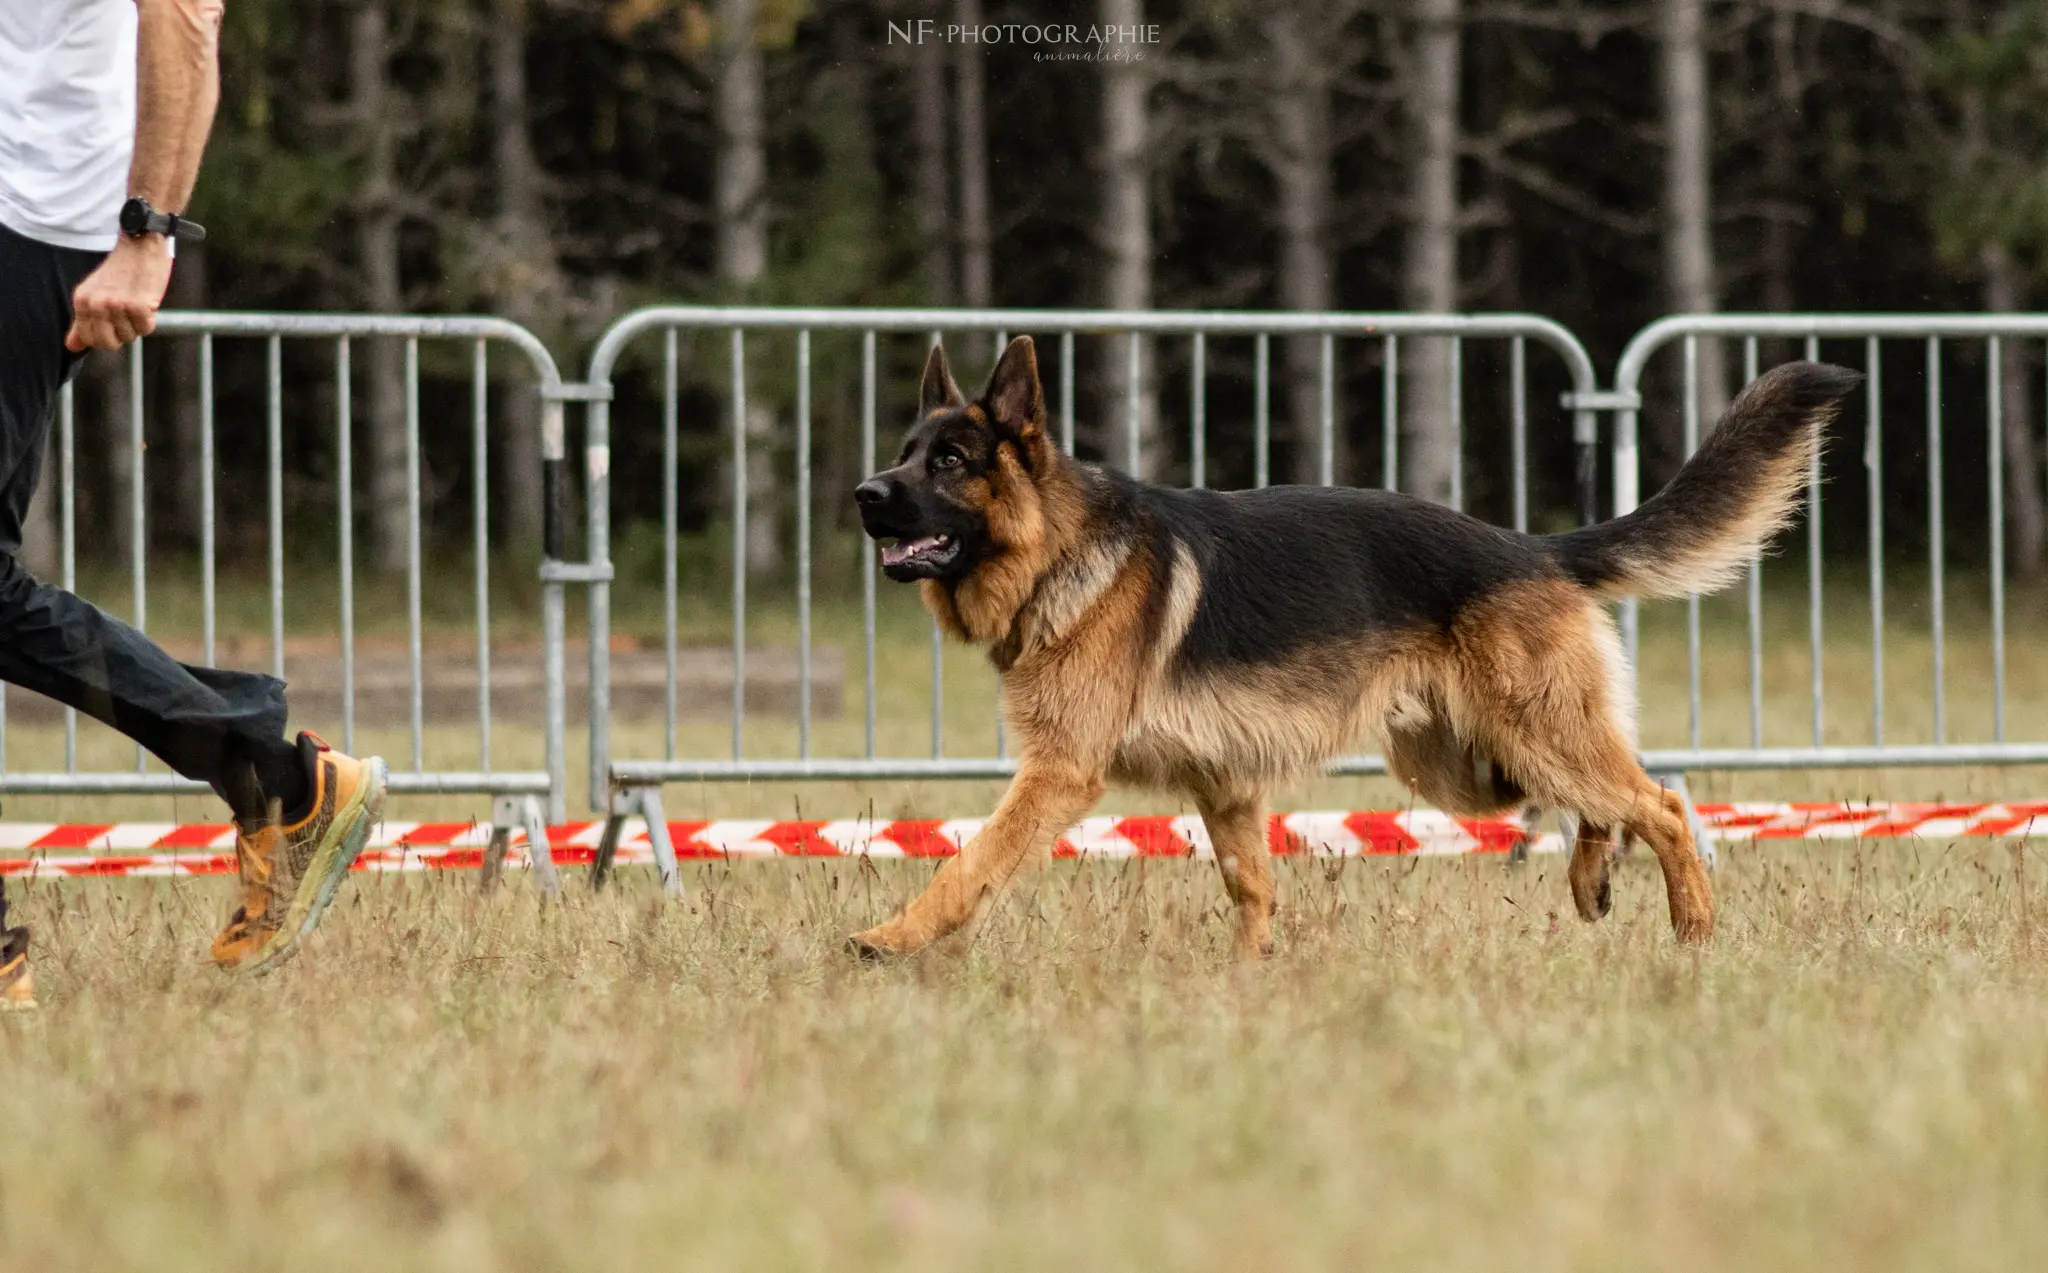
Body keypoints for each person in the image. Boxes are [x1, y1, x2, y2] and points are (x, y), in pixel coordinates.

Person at [0, 0, 387, 1008]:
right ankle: (275, 776)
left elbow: (184, 15)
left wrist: (148, 233)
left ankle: (275, 774)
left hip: (32, 221)